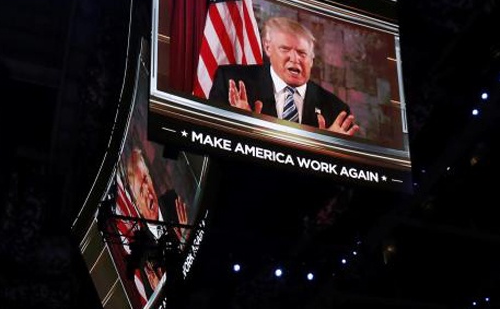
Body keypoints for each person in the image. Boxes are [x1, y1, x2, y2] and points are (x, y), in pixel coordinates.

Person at [209, 16, 360, 136]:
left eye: (302, 53)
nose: (295, 59)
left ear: (312, 60)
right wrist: (239, 124)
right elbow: (209, 137)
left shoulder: (337, 111)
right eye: (285, 49)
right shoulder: (232, 82)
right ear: (268, 48)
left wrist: (330, 147)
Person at [124, 147, 189, 300]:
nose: (147, 191)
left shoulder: (175, 200)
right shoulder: (143, 258)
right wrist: (160, 289)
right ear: (137, 205)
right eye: (141, 191)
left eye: (146, 179)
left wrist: (187, 237)